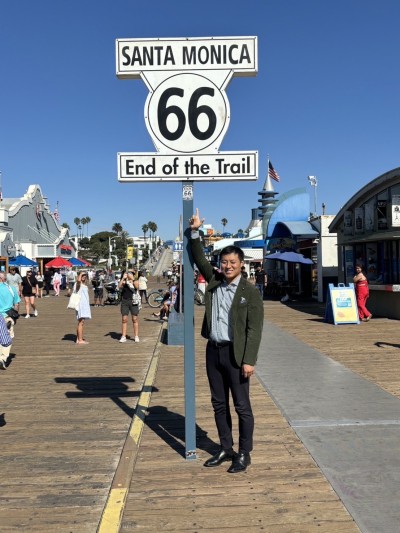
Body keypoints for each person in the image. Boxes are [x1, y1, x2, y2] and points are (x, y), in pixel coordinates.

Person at [190, 208, 264, 473]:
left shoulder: (250, 292)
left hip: (237, 354)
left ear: (241, 263)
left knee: (242, 406)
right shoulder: (214, 281)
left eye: (232, 262)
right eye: (224, 262)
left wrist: (249, 360)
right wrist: (195, 232)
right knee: (218, 403)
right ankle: (225, 447)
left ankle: (244, 453)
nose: (228, 266)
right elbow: (199, 258)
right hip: (214, 350)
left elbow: (255, 329)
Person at [0, 272, 20, 369]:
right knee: (7, 338)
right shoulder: (11, 288)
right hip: (8, 316)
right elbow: (16, 304)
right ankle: (2, 358)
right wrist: (15, 317)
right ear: (4, 279)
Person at [118, 270, 140, 343]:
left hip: (133, 301)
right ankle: (123, 336)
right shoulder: (124, 281)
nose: (129, 274)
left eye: (130, 273)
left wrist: (132, 279)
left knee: (135, 318)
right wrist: (123, 278)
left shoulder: (135, 281)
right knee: (124, 319)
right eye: (128, 273)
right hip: (125, 301)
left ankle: (136, 336)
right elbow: (119, 287)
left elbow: (137, 286)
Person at [73, 271, 91, 344]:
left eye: (85, 275)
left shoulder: (84, 284)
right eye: (82, 275)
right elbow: (78, 282)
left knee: (80, 322)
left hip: (84, 305)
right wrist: (80, 274)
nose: (84, 276)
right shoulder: (78, 284)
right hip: (80, 305)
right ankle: (80, 340)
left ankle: (78, 339)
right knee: (81, 322)